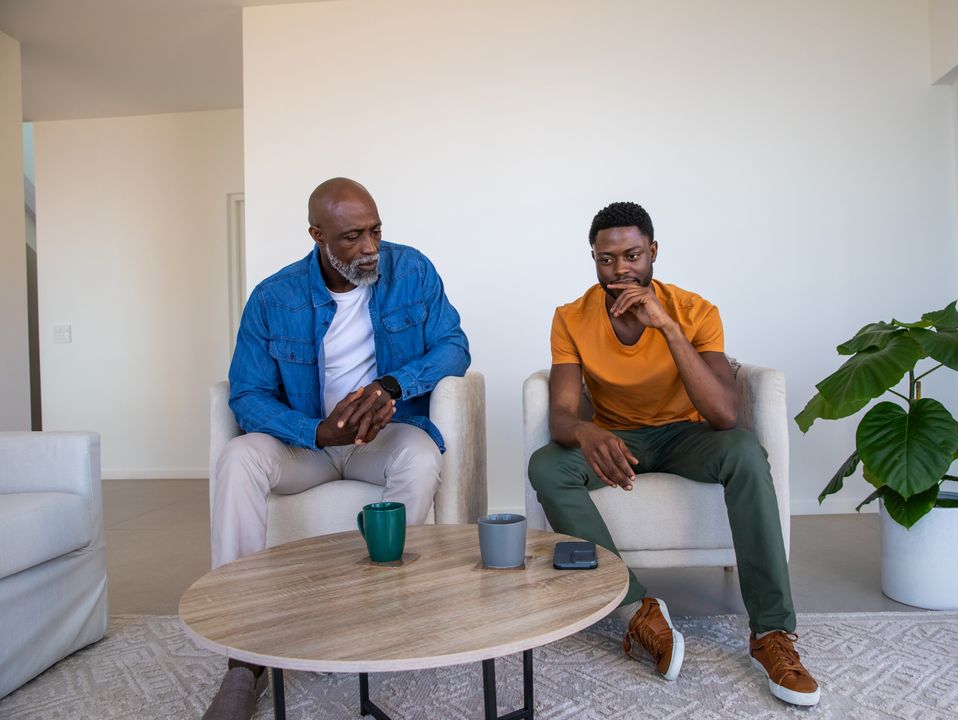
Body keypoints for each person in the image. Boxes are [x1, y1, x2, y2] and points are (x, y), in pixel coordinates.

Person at [528, 201, 819, 707]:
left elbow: (724, 414)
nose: (620, 270)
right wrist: (587, 432)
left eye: (633, 256)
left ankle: (772, 633)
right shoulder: (570, 318)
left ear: (654, 252)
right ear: (593, 259)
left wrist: (667, 327)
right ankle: (637, 610)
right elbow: (561, 417)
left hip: (686, 437)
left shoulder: (694, 310)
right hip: (619, 440)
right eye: (606, 259)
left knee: (745, 452)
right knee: (546, 465)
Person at [202, 177, 470, 719]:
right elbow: (247, 394)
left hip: (380, 438)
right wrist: (316, 431)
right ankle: (243, 653)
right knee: (237, 458)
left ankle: (384, 613)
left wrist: (392, 385)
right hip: (306, 444)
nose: (369, 248)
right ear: (317, 235)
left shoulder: (412, 271)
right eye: (352, 237)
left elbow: (453, 345)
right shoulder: (273, 298)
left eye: (375, 231)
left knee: (421, 456)